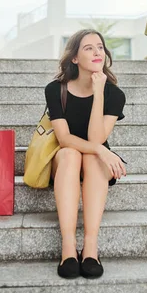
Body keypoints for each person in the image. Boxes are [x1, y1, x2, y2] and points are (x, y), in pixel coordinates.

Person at [44, 29, 127, 279]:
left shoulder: (114, 94)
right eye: (88, 48)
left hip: (94, 159)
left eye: (100, 47)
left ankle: (90, 247)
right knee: (71, 153)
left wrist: (99, 91)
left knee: (90, 156)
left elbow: (95, 139)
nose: (97, 52)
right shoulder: (55, 89)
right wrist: (103, 150)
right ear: (75, 58)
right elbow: (64, 138)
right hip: (65, 159)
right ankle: (68, 248)